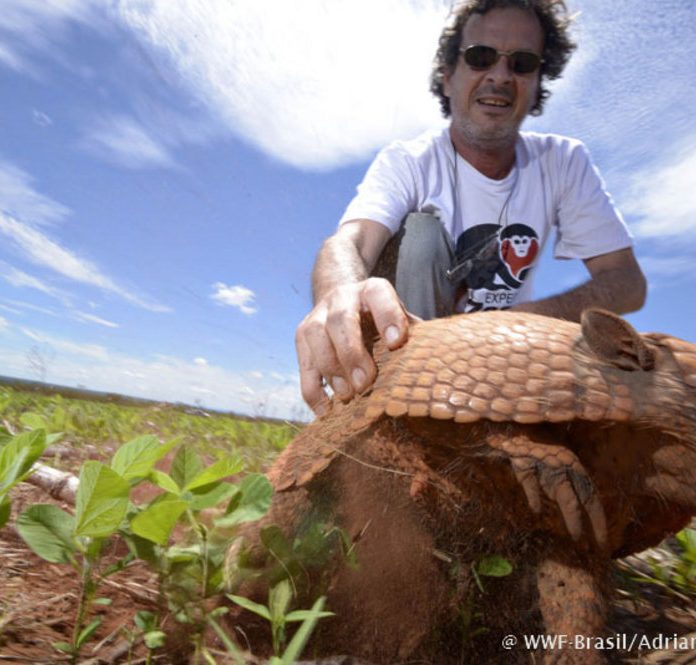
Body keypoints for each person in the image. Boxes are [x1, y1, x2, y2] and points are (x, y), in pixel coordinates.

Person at [296, 0, 646, 416]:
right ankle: (399, 407)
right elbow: (350, 242)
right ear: (448, 78)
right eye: (480, 57)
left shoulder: (564, 161)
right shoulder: (408, 161)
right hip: (412, 349)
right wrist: (339, 292)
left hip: (503, 355)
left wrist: (517, 320)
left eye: (522, 63)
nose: (500, 76)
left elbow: (626, 280)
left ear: (537, 83)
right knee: (422, 234)